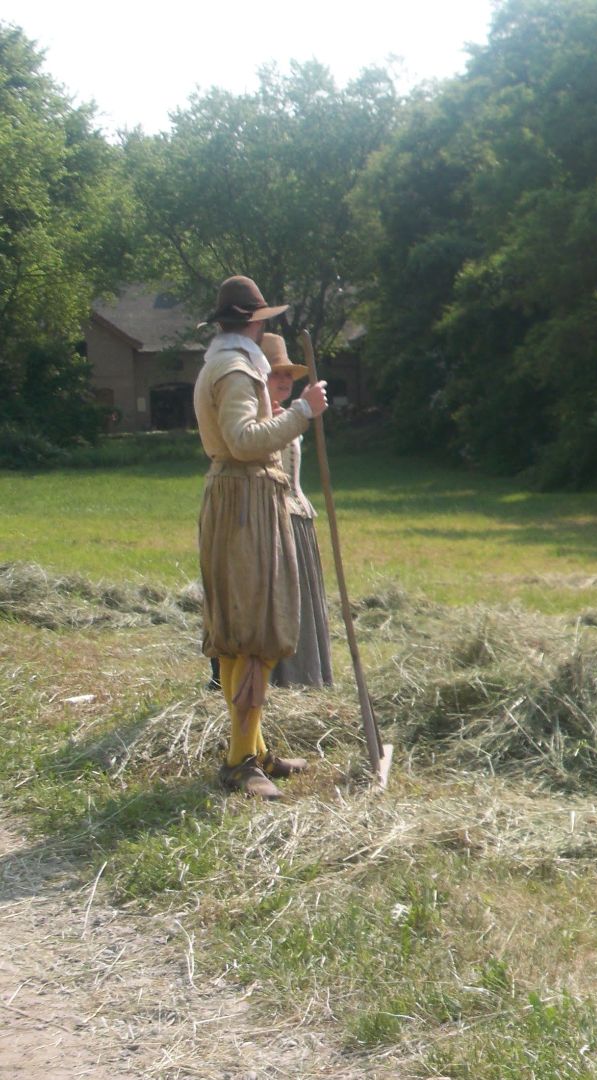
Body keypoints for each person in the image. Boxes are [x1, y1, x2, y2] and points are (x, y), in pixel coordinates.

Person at [193, 276, 328, 800]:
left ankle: (253, 749)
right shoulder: (234, 367)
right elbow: (244, 441)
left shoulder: (230, 361)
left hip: (243, 498)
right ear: (254, 322)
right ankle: (238, 762)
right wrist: (302, 412)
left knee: (242, 634)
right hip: (245, 502)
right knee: (254, 632)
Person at [262, 333, 334, 689]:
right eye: (277, 374)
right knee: (284, 600)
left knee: (305, 598)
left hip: (299, 518)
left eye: (289, 374)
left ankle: (309, 677)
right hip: (275, 522)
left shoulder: (287, 417)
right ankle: (282, 680)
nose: (284, 380)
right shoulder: (262, 421)